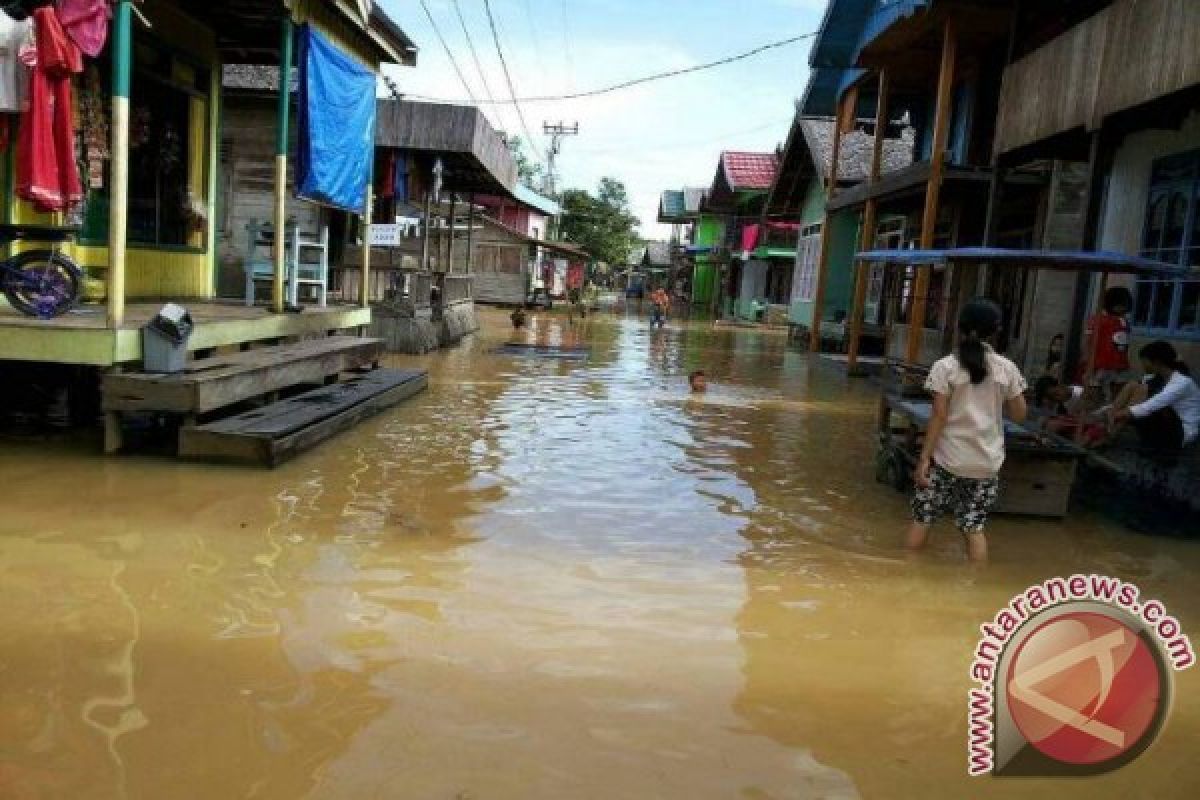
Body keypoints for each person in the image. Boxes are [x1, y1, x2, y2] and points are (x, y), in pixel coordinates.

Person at [907, 299, 1028, 563]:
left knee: (923, 519)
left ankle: (907, 576)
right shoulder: (1006, 368)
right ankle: (976, 587)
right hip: (985, 462)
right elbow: (1020, 415)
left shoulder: (945, 367)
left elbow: (938, 417)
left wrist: (924, 459)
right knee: (974, 528)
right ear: (995, 331)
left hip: (947, 459)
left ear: (959, 328)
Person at [1110, 341, 1199, 458]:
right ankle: (1109, 431)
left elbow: (1150, 406)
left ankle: (1110, 434)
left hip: (1181, 432)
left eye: (1145, 362)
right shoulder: (1157, 378)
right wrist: (1109, 411)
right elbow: (1132, 394)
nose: (1143, 365)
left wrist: (1118, 414)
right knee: (1133, 385)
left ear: (1157, 362)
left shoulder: (1182, 383)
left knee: (1141, 393)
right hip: (1164, 423)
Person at [1084, 287, 1134, 397]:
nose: (1123, 308)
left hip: (1119, 364)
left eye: (1125, 305)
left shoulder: (1124, 321)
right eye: (1121, 304)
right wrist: (1088, 362)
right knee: (1095, 392)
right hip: (1100, 364)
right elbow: (1089, 341)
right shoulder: (1097, 319)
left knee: (1118, 392)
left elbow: (1124, 344)